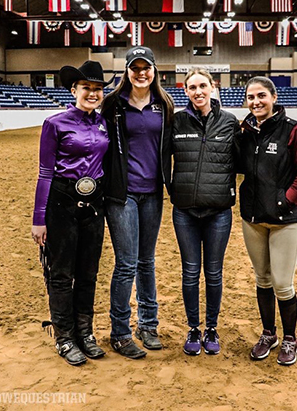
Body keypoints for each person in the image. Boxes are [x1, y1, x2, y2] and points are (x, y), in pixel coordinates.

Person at [31, 61, 114, 366]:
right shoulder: (55, 124)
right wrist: (39, 218)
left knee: (89, 273)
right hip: (61, 203)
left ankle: (85, 332)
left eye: (97, 89)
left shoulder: (103, 123)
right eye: (86, 88)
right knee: (62, 273)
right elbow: (44, 173)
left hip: (94, 203)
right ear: (73, 90)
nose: (92, 94)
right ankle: (65, 337)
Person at [235, 76, 297, 366]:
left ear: (273, 97)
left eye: (261, 96)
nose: (256, 102)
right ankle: (268, 334)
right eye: (251, 97)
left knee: (283, 283)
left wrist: (286, 200)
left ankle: (290, 338)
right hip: (253, 219)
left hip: (285, 220)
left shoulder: (293, 130)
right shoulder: (245, 132)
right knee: (262, 279)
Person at [101, 46, 174, 359]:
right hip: (122, 194)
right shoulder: (113, 104)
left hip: (153, 193)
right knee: (126, 263)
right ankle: (120, 331)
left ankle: (148, 324)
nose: (141, 73)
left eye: (146, 67)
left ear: (154, 70)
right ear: (127, 71)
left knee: (147, 261)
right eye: (135, 67)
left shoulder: (164, 105)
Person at [171, 68, 240, 356]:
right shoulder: (176, 122)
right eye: (191, 87)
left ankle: (211, 327)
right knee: (189, 273)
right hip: (185, 212)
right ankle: (193, 328)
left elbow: (243, 160)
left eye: (202, 86)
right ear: (185, 91)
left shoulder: (230, 122)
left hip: (218, 212)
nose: (197, 92)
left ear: (212, 87)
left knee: (213, 273)